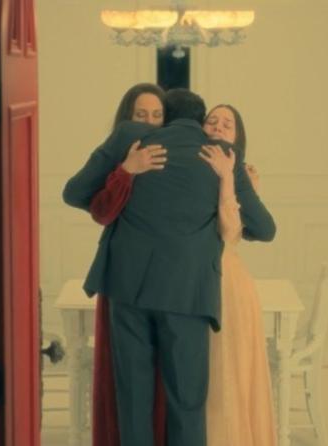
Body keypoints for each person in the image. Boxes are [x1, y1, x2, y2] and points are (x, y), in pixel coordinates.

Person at [63, 89, 275, 446]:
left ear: (167, 116)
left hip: (127, 287)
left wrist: (126, 181)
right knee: (187, 402)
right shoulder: (222, 154)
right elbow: (264, 229)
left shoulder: (130, 137)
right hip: (187, 294)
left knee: (133, 399)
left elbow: (74, 192)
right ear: (200, 120)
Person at [83, 83, 169, 446]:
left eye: (157, 116)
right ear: (126, 119)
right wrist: (128, 170)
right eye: (141, 115)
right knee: (125, 378)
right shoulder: (116, 155)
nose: (149, 123)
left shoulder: (175, 159)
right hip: (123, 279)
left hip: (168, 282)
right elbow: (101, 212)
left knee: (166, 378)